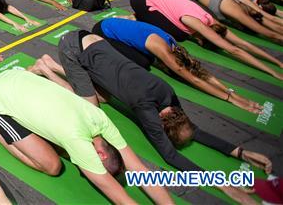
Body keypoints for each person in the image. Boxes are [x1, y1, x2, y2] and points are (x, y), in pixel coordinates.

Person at [28, 32, 267, 204]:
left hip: (94, 43)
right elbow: (170, 155)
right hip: (73, 47)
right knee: (91, 108)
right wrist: (223, 185)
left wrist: (241, 152)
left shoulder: (167, 93)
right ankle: (46, 69)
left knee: (105, 97)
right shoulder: (146, 110)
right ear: (161, 125)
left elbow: (193, 130)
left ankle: (53, 65)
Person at [0, 68, 170, 204]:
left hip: (17, 77)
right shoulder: (77, 142)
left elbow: (140, 170)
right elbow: (121, 199)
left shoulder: (100, 119)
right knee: (52, 165)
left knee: (57, 145)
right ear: (100, 156)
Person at [92, 17, 262, 113]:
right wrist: (231, 100)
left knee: (147, 60)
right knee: (141, 65)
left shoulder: (173, 45)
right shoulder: (164, 50)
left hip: (119, 27)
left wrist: (230, 92)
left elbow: (199, 73)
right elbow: (195, 80)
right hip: (102, 31)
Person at [129, 0, 283, 81]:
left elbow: (241, 45)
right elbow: (234, 49)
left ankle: (139, 16)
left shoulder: (211, 22)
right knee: (178, 34)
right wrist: (273, 72)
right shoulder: (192, 22)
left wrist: (277, 64)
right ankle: (135, 16)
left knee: (180, 31)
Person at [170, 0, 283, 44]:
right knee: (262, 24)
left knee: (263, 28)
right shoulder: (238, 2)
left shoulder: (235, 5)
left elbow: (270, 32)